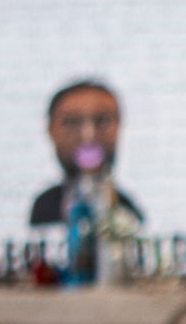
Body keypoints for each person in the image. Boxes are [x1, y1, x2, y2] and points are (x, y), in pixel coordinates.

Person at [25, 80, 144, 230]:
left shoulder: (128, 212)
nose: (88, 137)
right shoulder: (44, 207)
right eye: (72, 122)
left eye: (102, 121)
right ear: (51, 130)